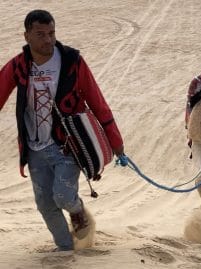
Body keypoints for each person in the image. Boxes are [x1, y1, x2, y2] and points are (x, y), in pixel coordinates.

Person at [0, 10, 124, 251]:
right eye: (40, 34)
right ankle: (67, 250)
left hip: (68, 145)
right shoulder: (19, 65)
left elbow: (97, 101)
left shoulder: (71, 61)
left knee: (63, 196)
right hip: (35, 149)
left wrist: (116, 143)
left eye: (52, 33)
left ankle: (78, 211)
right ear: (27, 36)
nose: (48, 40)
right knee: (45, 205)